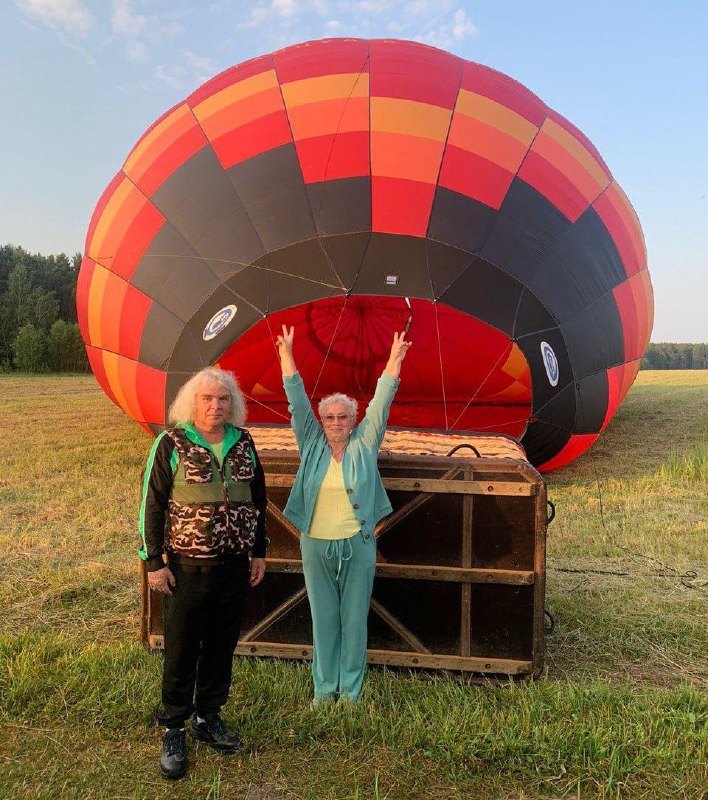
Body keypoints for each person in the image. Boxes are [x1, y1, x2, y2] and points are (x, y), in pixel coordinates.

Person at [138, 367, 268, 780]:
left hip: (233, 566)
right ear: (192, 403)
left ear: (233, 405)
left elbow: (258, 499)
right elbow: (151, 504)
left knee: (220, 644)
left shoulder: (244, 442)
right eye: (207, 399)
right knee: (180, 646)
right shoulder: (171, 442)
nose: (216, 406)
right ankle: (174, 726)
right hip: (186, 568)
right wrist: (153, 562)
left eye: (223, 399)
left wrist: (259, 551)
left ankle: (208, 716)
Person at [276, 325, 411, 704]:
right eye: (330, 417)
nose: (336, 422)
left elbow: (381, 404)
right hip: (315, 544)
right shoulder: (312, 444)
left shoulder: (365, 443)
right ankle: (324, 689)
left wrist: (394, 360)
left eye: (343, 417)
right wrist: (287, 353)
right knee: (324, 621)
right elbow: (297, 402)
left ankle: (350, 691)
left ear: (353, 421)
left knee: (353, 622)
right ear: (321, 421)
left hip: (358, 545)